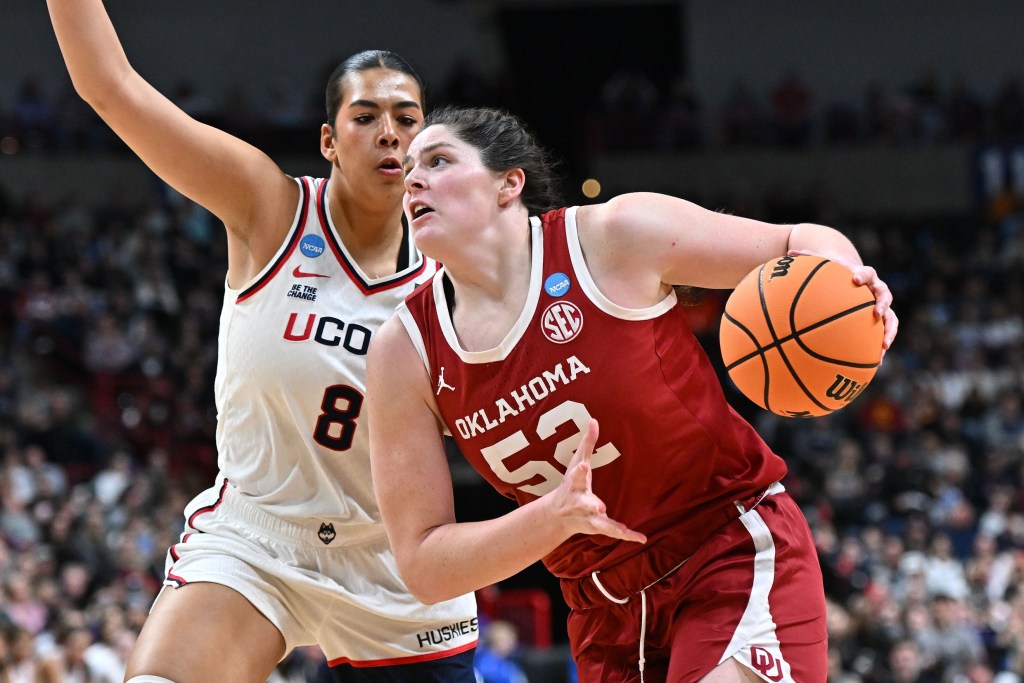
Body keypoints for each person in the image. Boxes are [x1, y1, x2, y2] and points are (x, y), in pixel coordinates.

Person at [366, 106, 899, 682]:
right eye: (408, 169)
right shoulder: (404, 351)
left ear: (508, 183)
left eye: (439, 160)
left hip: (725, 549)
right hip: (602, 611)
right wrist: (552, 518)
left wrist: (852, 283)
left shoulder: (613, 238)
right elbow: (424, 565)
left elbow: (796, 241)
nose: (412, 178)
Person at [46, 2, 478, 682]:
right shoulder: (269, 209)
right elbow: (110, 85)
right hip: (257, 540)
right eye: (365, 117)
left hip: (395, 562)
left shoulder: (461, 277)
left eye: (406, 117)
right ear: (330, 141)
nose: (389, 134)